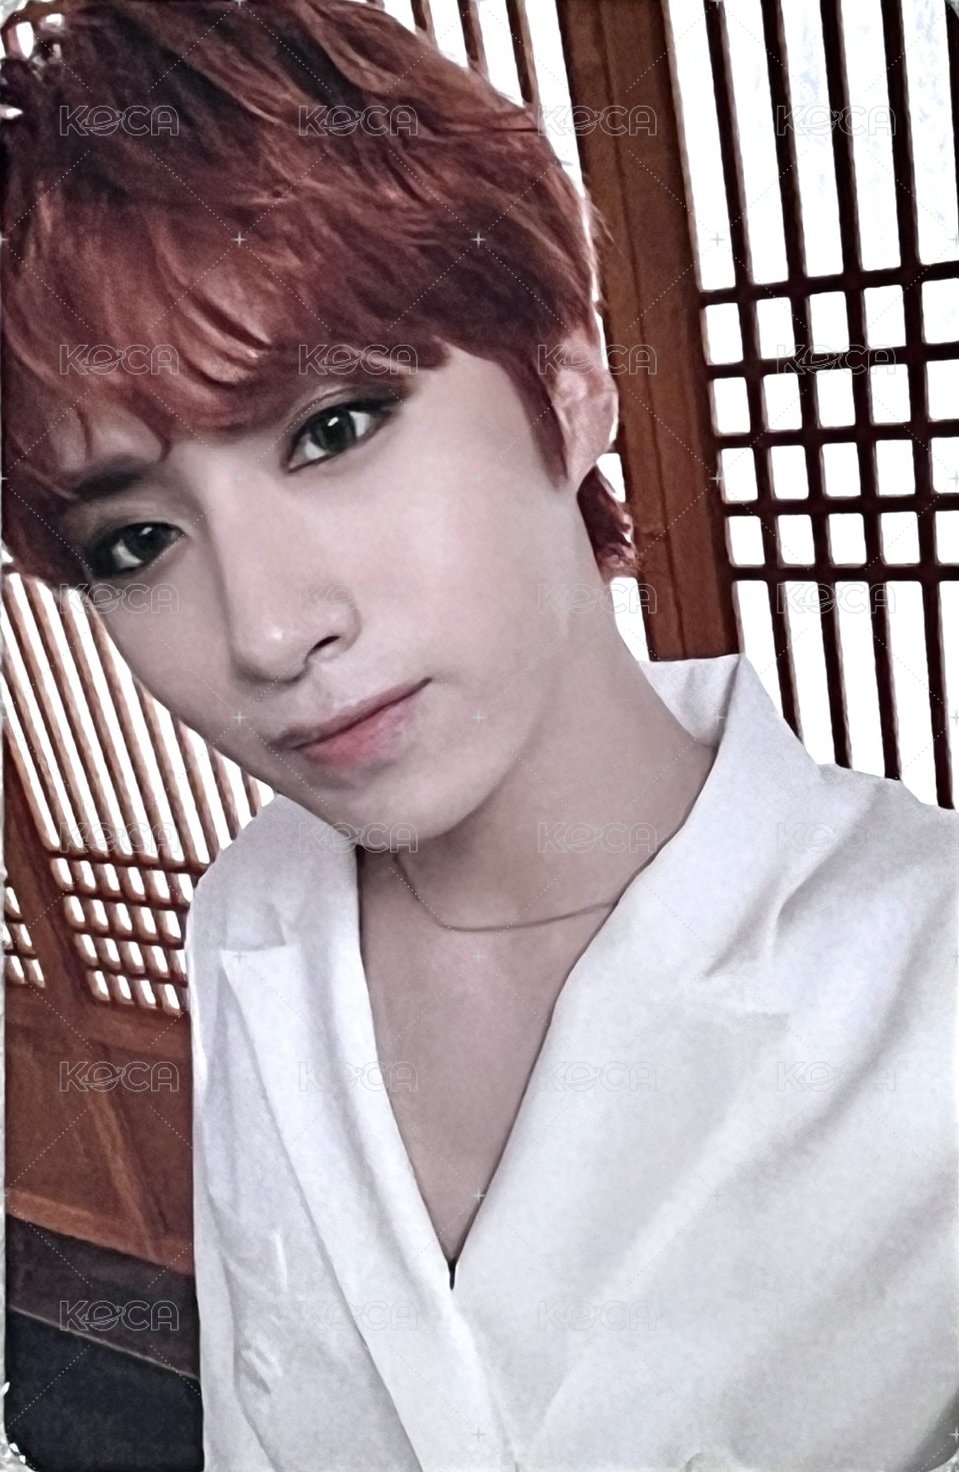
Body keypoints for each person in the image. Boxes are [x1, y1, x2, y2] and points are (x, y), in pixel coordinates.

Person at [2, 2, 957, 1469]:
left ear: (567, 390)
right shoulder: (252, 916)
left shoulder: (927, 981)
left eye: (333, 427)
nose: (268, 631)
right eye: (135, 540)